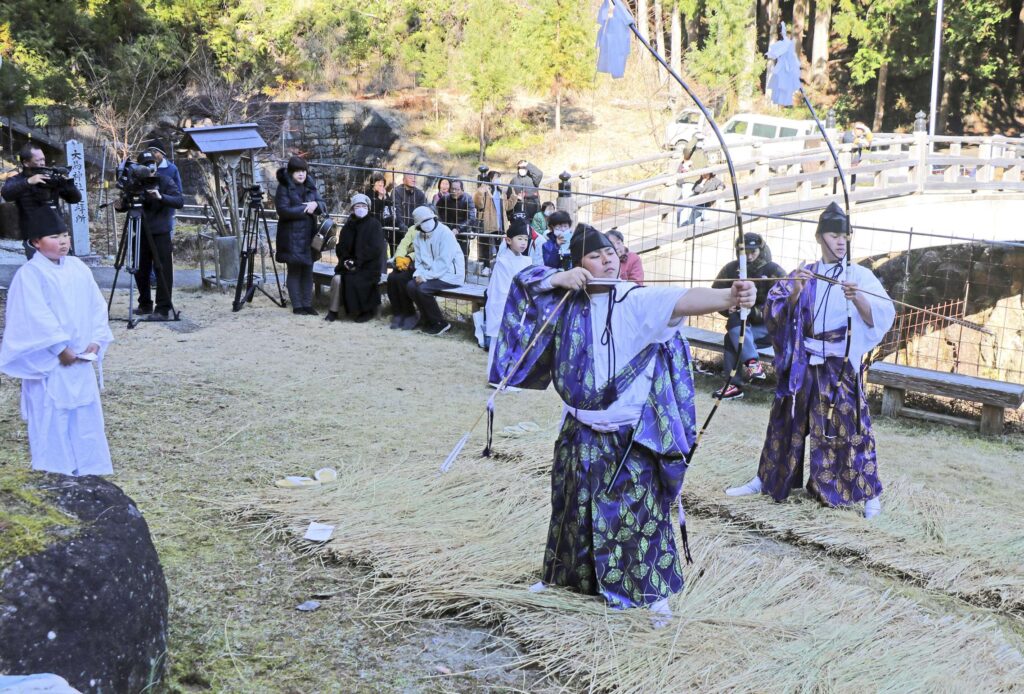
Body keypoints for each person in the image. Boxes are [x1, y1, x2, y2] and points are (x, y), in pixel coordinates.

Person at [489, 226, 755, 620]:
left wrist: (729, 297)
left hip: (629, 437)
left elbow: (680, 299)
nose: (607, 260)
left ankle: (651, 595)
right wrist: (558, 277)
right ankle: (563, 579)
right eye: (595, 256)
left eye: (611, 253)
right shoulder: (566, 301)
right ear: (578, 266)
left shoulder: (634, 299)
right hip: (579, 431)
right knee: (572, 512)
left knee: (639, 517)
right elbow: (523, 282)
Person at [725, 203, 895, 520]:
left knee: (851, 427)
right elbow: (775, 311)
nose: (841, 241)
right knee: (784, 421)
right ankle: (766, 479)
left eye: (845, 236)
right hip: (803, 363)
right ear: (819, 237)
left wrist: (857, 297)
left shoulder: (859, 276)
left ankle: (868, 492)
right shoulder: (804, 274)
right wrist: (795, 291)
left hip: (837, 364)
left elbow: (881, 317)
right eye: (834, 235)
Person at [0, 228, 114, 476]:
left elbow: (96, 305)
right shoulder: (30, 274)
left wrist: (96, 338)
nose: (62, 242)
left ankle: (90, 471)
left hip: (81, 357)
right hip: (50, 363)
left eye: (65, 235)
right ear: (36, 242)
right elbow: (34, 316)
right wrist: (59, 347)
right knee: (52, 415)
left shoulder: (78, 267)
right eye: (54, 237)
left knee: (84, 414)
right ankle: (55, 472)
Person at [710, 232, 786, 399]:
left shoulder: (774, 271)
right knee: (733, 327)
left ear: (761, 249)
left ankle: (737, 379)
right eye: (744, 252)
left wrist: (753, 311)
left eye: (753, 252)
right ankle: (749, 367)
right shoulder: (731, 269)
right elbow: (714, 295)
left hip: (770, 329)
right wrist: (727, 306)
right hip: (742, 326)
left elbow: (783, 306)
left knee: (733, 336)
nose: (749, 256)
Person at [118, 150, 183, 319]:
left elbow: (179, 201)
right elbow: (125, 204)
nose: (149, 169)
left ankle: (163, 309)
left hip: (160, 233)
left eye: (151, 164)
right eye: (145, 165)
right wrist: (120, 204)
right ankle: (145, 304)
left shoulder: (165, 180)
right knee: (140, 270)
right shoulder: (135, 183)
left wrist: (160, 196)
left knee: (163, 271)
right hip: (140, 231)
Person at [391, 206, 465, 335]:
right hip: (431, 274)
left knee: (422, 289)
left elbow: (443, 262)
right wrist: (418, 274)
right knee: (411, 286)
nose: (426, 223)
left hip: (450, 275)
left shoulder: (445, 233)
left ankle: (440, 323)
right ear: (418, 225)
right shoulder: (418, 238)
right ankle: (428, 320)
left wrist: (425, 276)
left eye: (429, 219)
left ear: (434, 218)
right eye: (422, 222)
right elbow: (419, 261)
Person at [1, 143, 82, 259]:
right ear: (26, 163)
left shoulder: (49, 177)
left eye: (43, 159)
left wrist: (68, 184)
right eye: (38, 160)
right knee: (39, 266)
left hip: (56, 231)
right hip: (34, 235)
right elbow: (6, 194)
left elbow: (75, 199)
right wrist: (29, 181)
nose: (43, 163)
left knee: (63, 266)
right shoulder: (17, 179)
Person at [274, 156, 325, 316]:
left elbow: (322, 204)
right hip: (291, 237)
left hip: (310, 235)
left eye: (303, 171)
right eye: (297, 171)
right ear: (291, 172)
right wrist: (305, 209)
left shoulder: (310, 184)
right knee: (295, 271)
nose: (301, 174)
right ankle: (297, 306)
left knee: (308, 271)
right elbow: (282, 210)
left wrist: (316, 205)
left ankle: (307, 304)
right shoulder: (284, 187)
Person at [326, 193, 387, 323]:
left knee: (358, 279)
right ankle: (333, 311)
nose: (361, 208)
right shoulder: (348, 226)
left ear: (368, 208)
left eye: (364, 206)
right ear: (352, 209)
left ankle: (366, 311)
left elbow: (375, 249)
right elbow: (341, 247)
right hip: (348, 264)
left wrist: (357, 261)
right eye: (357, 206)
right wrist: (346, 260)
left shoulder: (374, 224)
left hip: (368, 266)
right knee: (337, 279)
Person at [485, 217, 533, 382]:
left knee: (516, 341)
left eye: (526, 239)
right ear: (508, 240)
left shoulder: (526, 261)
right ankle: (496, 376)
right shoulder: (503, 262)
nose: (523, 243)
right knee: (500, 341)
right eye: (519, 239)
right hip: (505, 305)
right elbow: (500, 290)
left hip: (521, 305)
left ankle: (511, 376)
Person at [386, 225, 418, 329]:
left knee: (401, 279)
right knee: (392, 278)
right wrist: (399, 257)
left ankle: (410, 313)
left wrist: (410, 257)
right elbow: (403, 245)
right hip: (407, 262)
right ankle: (398, 313)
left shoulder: (432, 230)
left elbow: (425, 250)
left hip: (421, 263)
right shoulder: (413, 228)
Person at [765, 21, 801, 107]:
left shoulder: (787, 44)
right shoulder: (784, 43)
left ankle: (785, 100)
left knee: (784, 84)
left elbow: (781, 53)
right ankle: (782, 100)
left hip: (787, 67)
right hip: (784, 67)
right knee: (781, 84)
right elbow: (776, 53)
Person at [368, 173, 397, 250]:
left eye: (382, 182)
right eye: (378, 182)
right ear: (373, 184)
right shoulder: (369, 193)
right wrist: (380, 197)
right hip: (373, 224)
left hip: (385, 222)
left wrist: (385, 197)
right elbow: (374, 210)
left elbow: (390, 206)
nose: (381, 184)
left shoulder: (384, 192)